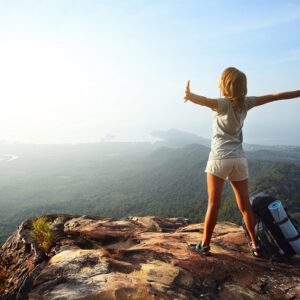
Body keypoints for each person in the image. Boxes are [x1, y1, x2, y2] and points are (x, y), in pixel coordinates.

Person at [184, 67, 300, 257]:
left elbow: (204, 101)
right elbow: (273, 96)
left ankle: (204, 245)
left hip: (220, 158)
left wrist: (190, 95)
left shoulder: (222, 104)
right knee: (246, 206)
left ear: (225, 85)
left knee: (214, 204)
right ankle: (256, 246)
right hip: (239, 159)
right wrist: (297, 93)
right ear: (242, 87)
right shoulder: (246, 103)